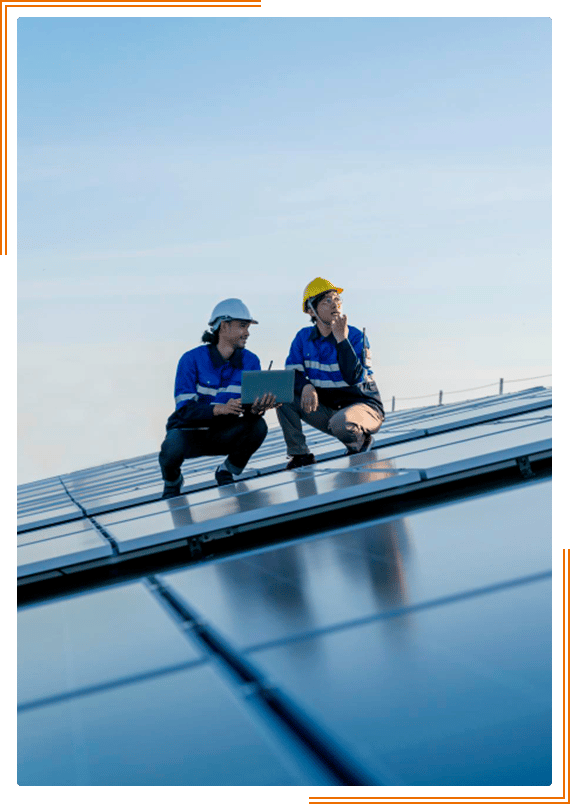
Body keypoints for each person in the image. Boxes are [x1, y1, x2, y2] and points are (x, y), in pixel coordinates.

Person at [159, 299, 277, 498]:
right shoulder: (191, 360)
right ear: (223, 326)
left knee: (258, 426)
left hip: (224, 433)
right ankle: (172, 482)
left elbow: (248, 410)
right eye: (242, 326)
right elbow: (184, 410)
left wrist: (258, 408)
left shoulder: (250, 361)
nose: (247, 332)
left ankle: (226, 470)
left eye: (248, 327)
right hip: (190, 435)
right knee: (171, 446)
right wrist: (219, 409)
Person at [277, 277, 384, 468]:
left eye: (337, 299)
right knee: (284, 396)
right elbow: (291, 374)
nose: (335, 304)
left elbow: (354, 377)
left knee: (340, 423)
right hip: (331, 410)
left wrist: (342, 340)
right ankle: (300, 455)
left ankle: (361, 443)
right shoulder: (303, 338)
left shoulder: (356, 336)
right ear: (311, 310)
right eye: (327, 300)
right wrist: (306, 385)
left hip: (363, 407)